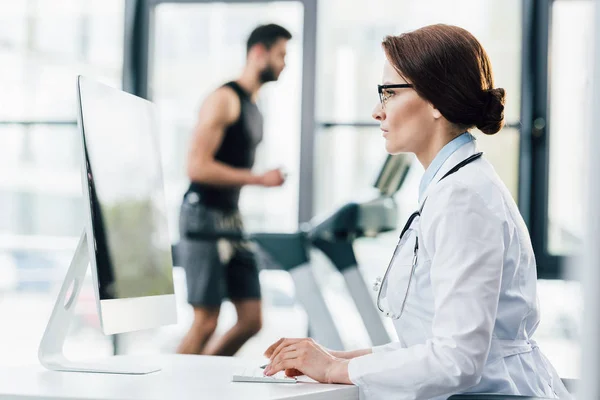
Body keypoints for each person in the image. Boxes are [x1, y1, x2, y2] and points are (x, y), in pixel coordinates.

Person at [262, 24, 572, 400]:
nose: (377, 111)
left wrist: (333, 368)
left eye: (389, 93)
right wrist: (334, 358)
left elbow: (456, 359)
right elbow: (430, 343)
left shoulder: (463, 198)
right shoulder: (455, 186)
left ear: (437, 101)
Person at [177, 24, 292, 356]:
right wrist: (259, 179)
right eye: (281, 54)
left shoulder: (253, 105)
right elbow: (196, 167)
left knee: (251, 319)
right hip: (202, 214)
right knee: (206, 320)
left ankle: (200, 381)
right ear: (259, 52)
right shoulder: (224, 99)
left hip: (230, 216)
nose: (285, 63)